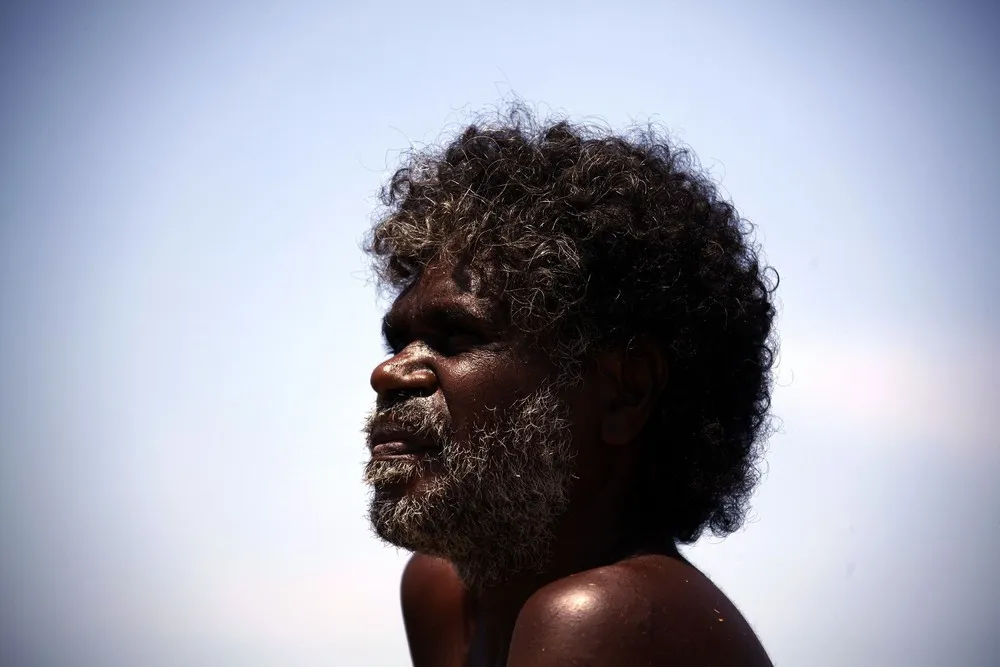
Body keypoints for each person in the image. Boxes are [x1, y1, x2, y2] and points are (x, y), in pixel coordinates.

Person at [362, 106, 778, 667]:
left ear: (626, 390)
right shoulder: (443, 595)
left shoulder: (603, 618)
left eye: (456, 336)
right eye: (398, 342)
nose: (389, 373)